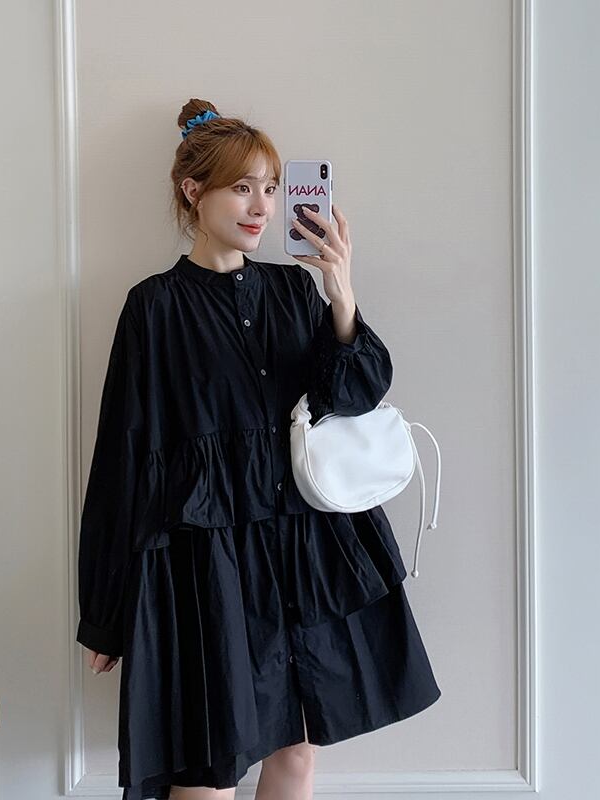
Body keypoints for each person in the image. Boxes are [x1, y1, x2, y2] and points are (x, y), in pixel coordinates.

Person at [76, 99, 441, 800]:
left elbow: (355, 393)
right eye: (242, 187)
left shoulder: (293, 289)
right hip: (204, 564)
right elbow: (122, 456)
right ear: (194, 191)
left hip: (301, 546)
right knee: (208, 769)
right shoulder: (154, 307)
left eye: (270, 188)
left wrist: (341, 291)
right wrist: (106, 611)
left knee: (297, 750)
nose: (262, 206)